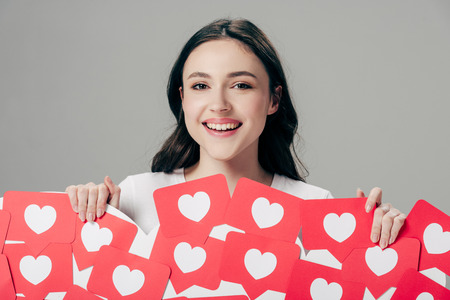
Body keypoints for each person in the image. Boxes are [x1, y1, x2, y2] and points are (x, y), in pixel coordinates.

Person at [66, 18, 406, 249]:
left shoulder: (317, 208)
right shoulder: (134, 197)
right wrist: (87, 218)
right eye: (201, 85)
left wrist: (385, 245)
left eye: (241, 85)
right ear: (183, 99)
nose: (219, 104)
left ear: (274, 99)